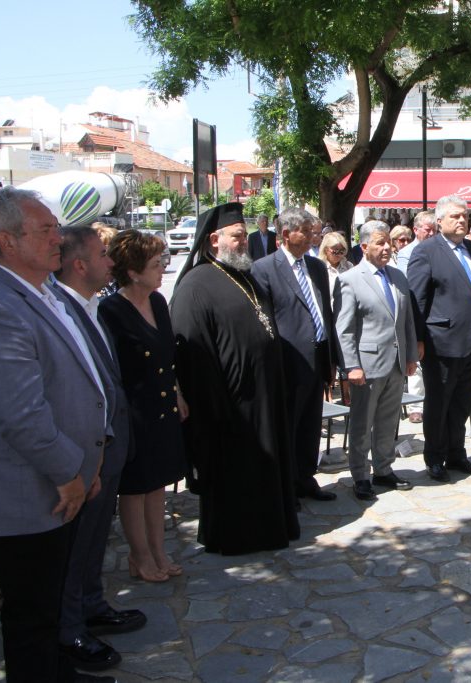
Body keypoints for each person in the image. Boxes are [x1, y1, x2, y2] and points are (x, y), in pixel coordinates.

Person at [0, 188, 109, 683]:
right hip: (28, 491)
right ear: (7, 241)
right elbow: (21, 414)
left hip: (58, 482)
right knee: (31, 617)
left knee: (48, 608)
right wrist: (70, 473)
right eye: (46, 229)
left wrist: (86, 466)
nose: (58, 238)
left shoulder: (39, 292)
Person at [171, 202, 300, 554]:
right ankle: (237, 537)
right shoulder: (195, 285)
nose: (244, 241)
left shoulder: (244, 275)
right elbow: (192, 354)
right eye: (237, 236)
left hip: (264, 394)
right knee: (237, 472)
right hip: (230, 403)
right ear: (214, 239)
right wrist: (216, 405)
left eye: (244, 235)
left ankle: (273, 527)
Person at [53, 227, 146, 672]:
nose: (111, 262)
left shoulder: (90, 305)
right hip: (82, 453)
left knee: (93, 540)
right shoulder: (60, 310)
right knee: (73, 549)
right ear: (79, 264)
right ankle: (70, 628)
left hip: (106, 447)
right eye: (102, 255)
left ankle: (91, 605)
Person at [100, 230, 188, 582]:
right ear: (133, 272)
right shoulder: (111, 310)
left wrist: (177, 392)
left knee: (158, 484)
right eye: (155, 263)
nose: (163, 268)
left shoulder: (158, 302)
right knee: (136, 487)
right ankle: (140, 556)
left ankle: (158, 551)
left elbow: (168, 357)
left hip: (162, 406)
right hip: (134, 412)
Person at [250, 208, 339, 502]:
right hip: (288, 362)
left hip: (318, 356)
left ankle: (305, 477)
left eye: (314, 231)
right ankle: (286, 486)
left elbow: (325, 313)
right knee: (288, 426)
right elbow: (264, 321)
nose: (314, 236)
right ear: (287, 234)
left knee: (311, 424)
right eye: (307, 231)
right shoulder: (264, 269)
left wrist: (332, 358)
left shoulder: (315, 266)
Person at [333, 221, 419, 499]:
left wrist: (410, 356)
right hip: (367, 366)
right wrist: (351, 366)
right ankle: (360, 475)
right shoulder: (349, 279)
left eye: (388, 243)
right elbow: (344, 329)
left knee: (388, 420)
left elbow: (406, 320)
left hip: (396, 363)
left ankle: (384, 469)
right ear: (364, 246)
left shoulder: (398, 277)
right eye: (380, 243)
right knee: (362, 423)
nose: (386, 248)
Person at [407, 195, 471, 482]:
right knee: (439, 404)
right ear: (439, 221)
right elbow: (417, 300)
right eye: (455, 216)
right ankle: (435, 457)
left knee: (462, 403)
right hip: (441, 341)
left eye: (465, 215)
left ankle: (456, 453)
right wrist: (417, 339)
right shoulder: (427, 251)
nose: (462, 220)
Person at [396, 212, 436, 423]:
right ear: (416, 230)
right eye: (427, 230)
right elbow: (409, 285)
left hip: (434, 313)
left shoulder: (439, 249)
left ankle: (432, 401)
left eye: (434, 230)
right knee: (417, 359)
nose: (431, 233)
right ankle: (416, 406)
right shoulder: (407, 252)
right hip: (414, 311)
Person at [317, 231, 353, 296]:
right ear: (326, 250)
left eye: (342, 251)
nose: (339, 254)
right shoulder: (318, 267)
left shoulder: (349, 266)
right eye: (335, 251)